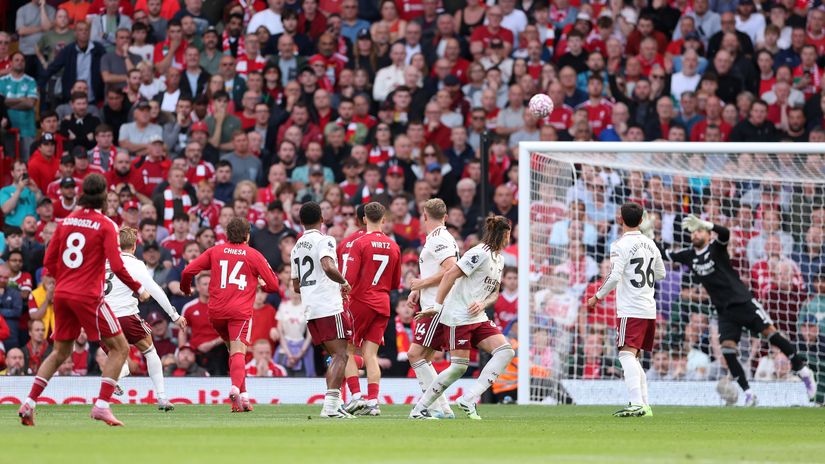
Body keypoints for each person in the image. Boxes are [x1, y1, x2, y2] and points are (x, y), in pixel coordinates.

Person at [18, 174, 150, 427]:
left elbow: (48, 262)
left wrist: (66, 279)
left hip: (63, 294)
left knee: (60, 351)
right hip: (88, 295)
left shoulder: (66, 221)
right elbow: (119, 266)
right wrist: (139, 289)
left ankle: (29, 403)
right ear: (103, 195)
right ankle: (101, 406)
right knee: (121, 348)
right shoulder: (106, 225)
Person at [658, 213, 818, 406]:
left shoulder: (716, 249)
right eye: (693, 232)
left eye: (700, 231)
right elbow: (665, 253)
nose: (696, 234)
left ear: (708, 235)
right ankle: (749, 393)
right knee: (727, 350)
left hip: (742, 301)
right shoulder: (689, 256)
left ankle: (802, 370)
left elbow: (725, 233)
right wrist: (650, 236)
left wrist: (708, 223)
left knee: (770, 334)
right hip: (724, 311)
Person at [409, 215, 514, 420]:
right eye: (508, 235)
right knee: (458, 367)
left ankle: (468, 399)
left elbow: (495, 292)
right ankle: (419, 409)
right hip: (458, 316)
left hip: (478, 316)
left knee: (505, 352)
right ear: (502, 235)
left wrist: (483, 303)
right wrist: (437, 307)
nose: (509, 240)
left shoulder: (499, 259)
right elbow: (449, 275)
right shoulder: (478, 253)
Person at [180, 217, 280, 412]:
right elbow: (274, 286)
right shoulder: (253, 255)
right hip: (239, 312)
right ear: (247, 235)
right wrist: (262, 284)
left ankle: (243, 399)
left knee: (233, 352)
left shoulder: (215, 251)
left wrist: (186, 289)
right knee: (238, 352)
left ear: (227, 235)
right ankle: (235, 388)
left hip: (216, 312)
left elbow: (188, 271)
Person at [585, 203, 665, 417]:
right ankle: (645, 405)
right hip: (649, 308)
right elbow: (661, 273)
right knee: (634, 357)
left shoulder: (619, 245)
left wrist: (597, 297)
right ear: (641, 221)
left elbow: (613, 276)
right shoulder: (651, 244)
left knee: (625, 355)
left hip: (631, 308)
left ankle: (636, 402)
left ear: (620, 219)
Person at [104, 226, 187, 411]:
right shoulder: (135, 265)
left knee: (117, 355)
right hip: (126, 316)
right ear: (134, 247)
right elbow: (156, 291)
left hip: (103, 319)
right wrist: (174, 315)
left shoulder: (104, 263)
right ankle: (162, 398)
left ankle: (118, 374)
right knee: (150, 352)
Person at [290, 201, 354, 418]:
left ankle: (336, 405)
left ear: (301, 222)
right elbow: (327, 266)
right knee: (341, 355)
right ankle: (330, 408)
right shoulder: (325, 239)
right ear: (322, 219)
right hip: (328, 305)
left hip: (310, 309)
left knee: (335, 357)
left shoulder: (296, 247)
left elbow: (296, 286)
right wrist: (343, 282)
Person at [342, 202, 401, 416]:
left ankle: (356, 396)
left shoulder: (359, 243)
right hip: (383, 303)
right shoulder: (394, 246)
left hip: (361, 300)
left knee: (347, 349)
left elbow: (348, 278)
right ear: (383, 219)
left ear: (364, 219)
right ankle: (374, 402)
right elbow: (395, 282)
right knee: (370, 354)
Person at [404, 198, 458, 419]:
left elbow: (451, 268)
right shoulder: (440, 238)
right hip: (433, 302)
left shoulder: (439, 238)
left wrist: (422, 284)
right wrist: (419, 289)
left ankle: (434, 408)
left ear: (424, 216)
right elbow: (440, 269)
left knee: (414, 355)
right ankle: (443, 408)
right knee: (423, 358)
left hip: (437, 306)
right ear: (445, 216)